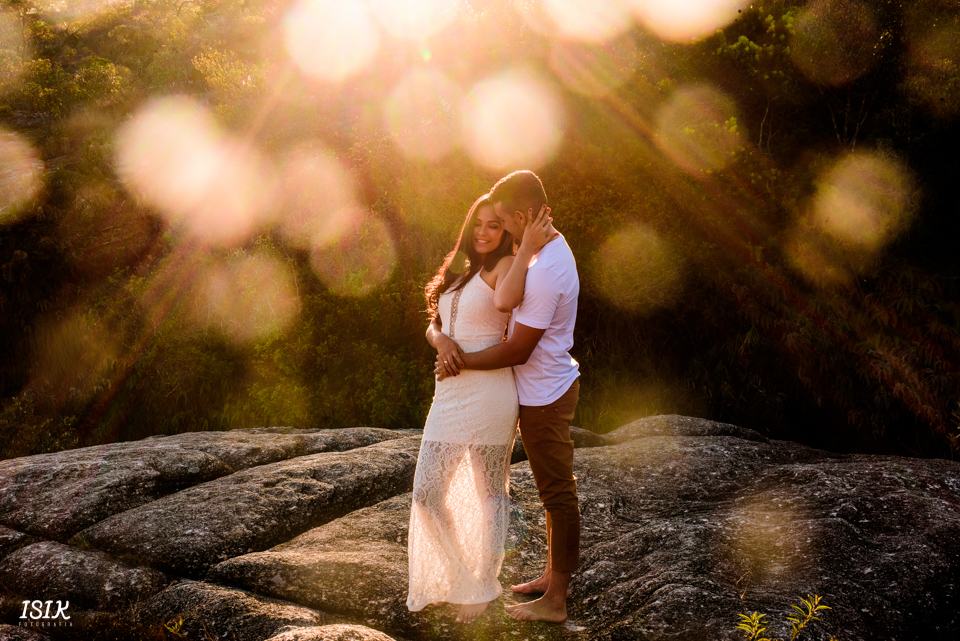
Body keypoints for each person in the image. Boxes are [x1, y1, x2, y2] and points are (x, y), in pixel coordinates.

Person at [434, 170, 580, 624]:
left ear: (523, 215)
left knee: (558, 495)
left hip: (544, 395)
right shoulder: (543, 253)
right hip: (536, 390)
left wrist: (460, 362)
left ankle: (556, 600)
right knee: (551, 493)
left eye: (504, 222)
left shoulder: (547, 269)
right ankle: (551, 576)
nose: (504, 233)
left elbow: (518, 349)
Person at [406, 193, 552, 623]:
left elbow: (507, 305)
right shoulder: (460, 269)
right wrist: (442, 341)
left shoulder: (506, 266)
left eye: (495, 225)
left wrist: (524, 248)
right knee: (427, 494)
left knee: (490, 495)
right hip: (449, 393)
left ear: (506, 230)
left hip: (490, 391)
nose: (485, 232)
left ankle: (484, 585)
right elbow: (435, 323)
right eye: (479, 224)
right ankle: (461, 577)